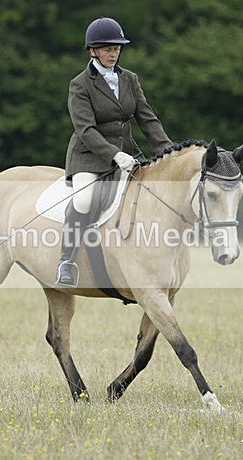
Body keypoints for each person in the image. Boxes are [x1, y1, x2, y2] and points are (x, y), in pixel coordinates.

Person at [56, 17, 174, 286]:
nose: (114, 53)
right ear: (93, 51)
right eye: (108, 48)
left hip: (128, 154)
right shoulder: (80, 84)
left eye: (117, 48)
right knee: (85, 200)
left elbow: (147, 118)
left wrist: (168, 151)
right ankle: (66, 261)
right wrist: (113, 154)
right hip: (90, 156)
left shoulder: (129, 79)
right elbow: (85, 130)